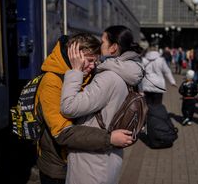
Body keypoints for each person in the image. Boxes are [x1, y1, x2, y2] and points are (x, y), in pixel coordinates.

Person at [35, 34, 133, 184]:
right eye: (89, 61)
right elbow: (63, 134)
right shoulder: (51, 82)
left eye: (96, 61)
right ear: (74, 56)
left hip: (79, 162)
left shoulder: (86, 74)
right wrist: (109, 138)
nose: (93, 66)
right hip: (58, 167)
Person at [60, 26, 144, 184]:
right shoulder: (129, 76)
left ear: (113, 48)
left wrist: (76, 71)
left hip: (92, 162)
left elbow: (69, 107)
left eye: (103, 41)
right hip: (109, 157)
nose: (100, 45)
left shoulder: (108, 78)